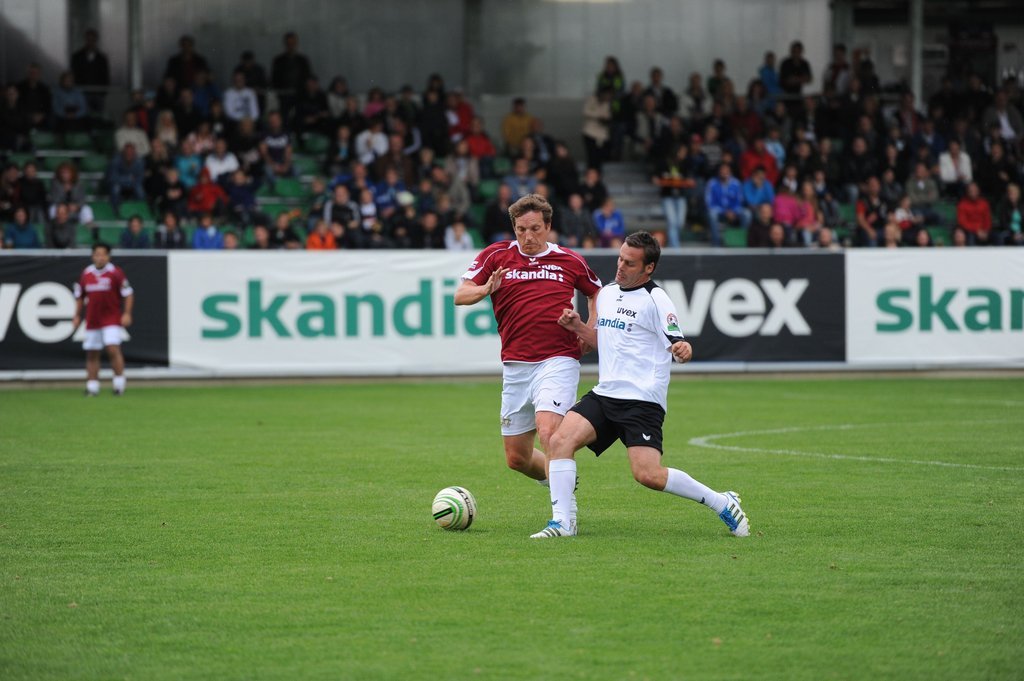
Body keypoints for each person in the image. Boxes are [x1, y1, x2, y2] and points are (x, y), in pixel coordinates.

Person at [532, 231, 749, 538]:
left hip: (641, 401)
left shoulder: (657, 299)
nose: (620, 266)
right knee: (559, 442)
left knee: (648, 475)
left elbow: (678, 342)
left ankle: (721, 502)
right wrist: (578, 326)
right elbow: (605, 342)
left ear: (649, 268)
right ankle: (563, 523)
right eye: (620, 259)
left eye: (630, 263)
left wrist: (683, 349)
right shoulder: (607, 294)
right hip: (605, 394)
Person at [454, 193, 601, 519]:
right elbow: (460, 294)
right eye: (521, 230)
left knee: (549, 432)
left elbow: (596, 292)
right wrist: (485, 289)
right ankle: (560, 476)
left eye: (535, 229)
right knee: (517, 458)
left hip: (558, 359)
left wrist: (590, 330)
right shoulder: (496, 255)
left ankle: (565, 517)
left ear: (548, 226)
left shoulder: (569, 260)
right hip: (516, 366)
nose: (528, 236)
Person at [73, 243, 134, 397]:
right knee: (92, 352)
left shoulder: (115, 273)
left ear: (108, 256)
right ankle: (92, 387)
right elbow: (80, 296)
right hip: (93, 319)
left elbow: (128, 293)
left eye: (103, 254)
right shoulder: (87, 273)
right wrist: (77, 315)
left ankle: (119, 385)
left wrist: (127, 313)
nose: (100, 258)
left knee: (112, 349)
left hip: (111, 318)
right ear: (93, 256)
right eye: (97, 254)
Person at [70, 28, 110, 115]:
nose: (90, 42)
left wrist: (103, 92)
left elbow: (105, 75)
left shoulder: (102, 58)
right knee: (83, 115)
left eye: (92, 40)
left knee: (98, 117)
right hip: (82, 92)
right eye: (89, 39)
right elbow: (73, 74)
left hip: (98, 93)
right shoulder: (77, 57)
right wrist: (76, 90)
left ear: (96, 41)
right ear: (85, 40)